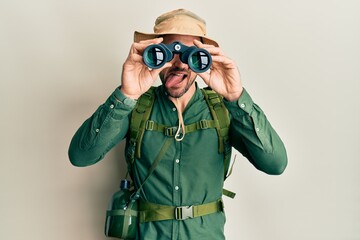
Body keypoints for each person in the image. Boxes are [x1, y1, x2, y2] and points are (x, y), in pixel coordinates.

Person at [68, 8, 287, 240]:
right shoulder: (138, 108)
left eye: (190, 54)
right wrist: (126, 95)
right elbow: (80, 156)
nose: (179, 63)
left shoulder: (222, 109)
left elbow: (275, 164)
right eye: (168, 52)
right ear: (154, 53)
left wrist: (236, 97)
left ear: (204, 58)